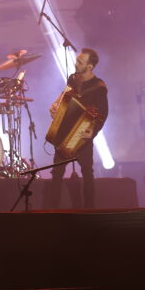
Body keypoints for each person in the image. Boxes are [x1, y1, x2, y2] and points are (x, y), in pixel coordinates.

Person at [46, 48, 108, 209]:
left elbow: (103, 113)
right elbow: (65, 95)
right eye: (77, 60)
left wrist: (92, 131)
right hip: (64, 133)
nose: (76, 63)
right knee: (57, 174)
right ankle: (53, 211)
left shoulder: (99, 87)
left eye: (80, 62)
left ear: (90, 66)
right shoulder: (73, 78)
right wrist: (55, 106)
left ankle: (89, 211)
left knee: (87, 173)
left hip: (83, 135)